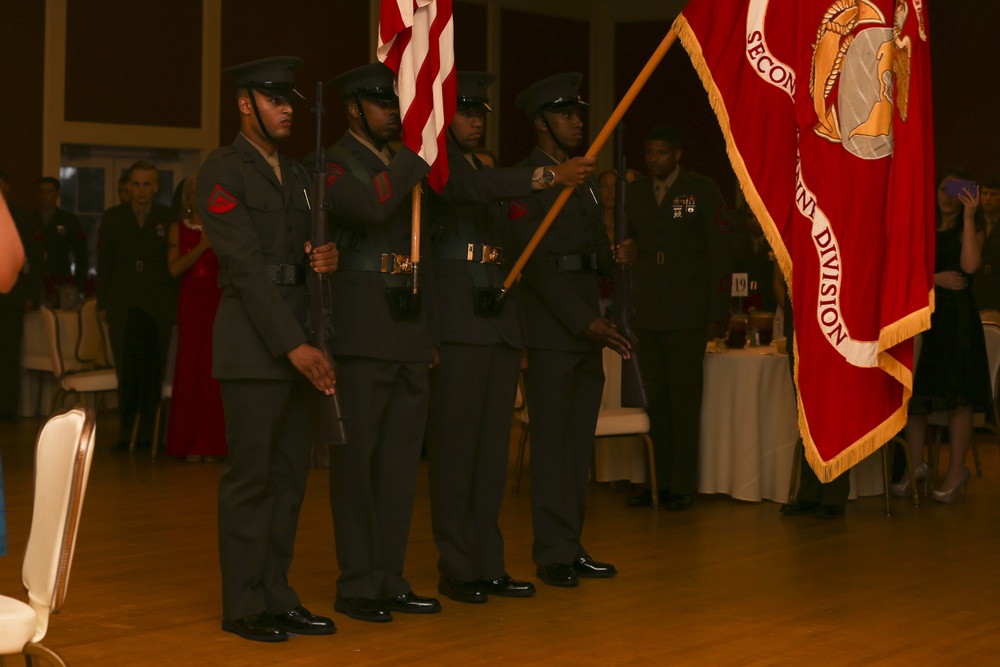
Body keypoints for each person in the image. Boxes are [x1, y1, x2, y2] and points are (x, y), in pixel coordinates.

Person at [426, 71, 595, 604]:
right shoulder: (438, 165)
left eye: (481, 114)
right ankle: (457, 565)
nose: (475, 122)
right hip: (455, 324)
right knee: (456, 455)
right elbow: (471, 189)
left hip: (496, 323)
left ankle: (488, 563)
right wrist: (551, 178)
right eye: (465, 113)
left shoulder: (485, 166)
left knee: (490, 459)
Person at [196, 56, 339, 642]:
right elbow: (247, 270)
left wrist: (321, 259)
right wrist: (295, 347)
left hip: (301, 336)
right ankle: (243, 604)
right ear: (244, 104)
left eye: (290, 101)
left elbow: (303, 253)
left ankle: (278, 594)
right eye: (274, 99)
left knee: (288, 481)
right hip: (256, 347)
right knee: (251, 480)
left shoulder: (302, 175)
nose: (286, 110)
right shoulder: (221, 170)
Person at [321, 62, 440, 623]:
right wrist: (419, 153)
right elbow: (368, 206)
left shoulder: (403, 166)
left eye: (398, 104)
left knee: (397, 469)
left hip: (409, 329)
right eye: (383, 104)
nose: (393, 113)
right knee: (358, 468)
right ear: (353, 109)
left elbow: (429, 252)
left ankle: (390, 577)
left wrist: (431, 330)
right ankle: (357, 583)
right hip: (362, 333)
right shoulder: (330, 163)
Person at [510, 72, 635, 588]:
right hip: (554, 329)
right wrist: (583, 321)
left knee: (577, 444)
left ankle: (571, 542)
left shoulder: (580, 181)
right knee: (553, 447)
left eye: (578, 113)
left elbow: (584, 255)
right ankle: (551, 553)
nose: (578, 121)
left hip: (587, 323)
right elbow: (534, 264)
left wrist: (613, 255)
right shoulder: (527, 179)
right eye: (566, 114)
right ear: (541, 123)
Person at [625, 125, 733, 511]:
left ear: (677, 154)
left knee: (685, 401)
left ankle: (681, 485)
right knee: (654, 401)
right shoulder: (634, 191)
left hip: (688, 308)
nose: (654, 159)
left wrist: (717, 311)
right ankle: (656, 480)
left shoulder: (700, 189)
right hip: (647, 307)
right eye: (649, 152)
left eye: (662, 153)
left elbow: (720, 251)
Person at [896, 168, 990, 503]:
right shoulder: (923, 227)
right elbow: (907, 271)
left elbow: (968, 266)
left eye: (956, 189)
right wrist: (934, 280)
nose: (947, 195)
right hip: (925, 317)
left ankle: (955, 472)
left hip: (958, 320)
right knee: (917, 397)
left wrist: (969, 216)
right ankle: (915, 466)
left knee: (958, 397)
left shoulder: (973, 227)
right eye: (942, 188)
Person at [97, 161, 177, 451]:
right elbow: (104, 263)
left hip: (158, 304)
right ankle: (125, 432)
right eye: (136, 184)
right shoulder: (114, 217)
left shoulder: (167, 217)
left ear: (155, 187)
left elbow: (174, 268)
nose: (141, 190)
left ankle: (149, 435)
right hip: (123, 302)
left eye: (147, 184)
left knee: (153, 372)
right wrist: (103, 303)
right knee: (127, 372)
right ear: (128, 186)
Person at [164, 175, 226, 463]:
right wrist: (202, 247)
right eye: (191, 191)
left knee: (214, 372)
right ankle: (188, 443)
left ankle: (214, 445)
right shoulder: (178, 229)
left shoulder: (223, 225)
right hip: (190, 303)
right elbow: (174, 269)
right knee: (191, 368)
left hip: (217, 303)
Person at [0, 173, 40, 423]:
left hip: (12, 297)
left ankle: (5, 408)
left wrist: (31, 295)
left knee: (7, 353)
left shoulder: (22, 216)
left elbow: (32, 260)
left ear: (6, 186)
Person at [35, 176, 88, 306]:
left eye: (49, 191)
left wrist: (78, 283)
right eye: (41, 191)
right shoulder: (30, 219)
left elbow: (81, 253)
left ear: (57, 194)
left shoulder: (69, 220)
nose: (44, 195)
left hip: (62, 280)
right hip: (36, 281)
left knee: (63, 320)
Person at [971, 176, 1000, 312]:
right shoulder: (973, 219)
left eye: (993, 194)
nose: (988, 198)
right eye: (984, 193)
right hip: (977, 285)